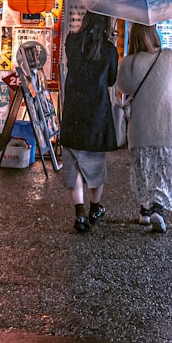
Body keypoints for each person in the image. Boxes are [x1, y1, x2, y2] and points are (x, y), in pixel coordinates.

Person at [116, 23, 172, 233]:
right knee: (163, 168)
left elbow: (122, 87)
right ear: (154, 34)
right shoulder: (169, 57)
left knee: (145, 166)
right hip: (167, 123)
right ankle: (157, 209)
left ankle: (144, 210)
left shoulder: (129, 61)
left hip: (142, 124)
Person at [59, 12, 120, 233]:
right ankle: (95, 208)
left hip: (74, 110)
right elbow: (111, 80)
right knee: (95, 163)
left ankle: (79, 213)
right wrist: (110, 44)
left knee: (73, 162)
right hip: (97, 113)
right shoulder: (108, 49)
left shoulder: (72, 42)